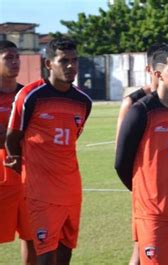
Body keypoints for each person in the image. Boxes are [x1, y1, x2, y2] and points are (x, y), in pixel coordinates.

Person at [5, 38, 92, 265]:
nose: (71, 66)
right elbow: (13, 138)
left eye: (74, 60)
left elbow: (72, 137)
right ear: (49, 64)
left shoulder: (83, 101)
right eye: (64, 61)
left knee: (66, 252)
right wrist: (21, 163)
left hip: (71, 188)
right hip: (40, 191)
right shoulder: (30, 96)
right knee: (44, 254)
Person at [115, 45, 168, 265]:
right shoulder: (140, 111)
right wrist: (146, 192)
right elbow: (121, 163)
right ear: (157, 74)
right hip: (152, 213)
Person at [0, 40, 36, 264]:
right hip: (2, 179)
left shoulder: (27, 95)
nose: (15, 62)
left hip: (28, 178)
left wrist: (8, 135)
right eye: (8, 58)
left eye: (17, 57)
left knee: (32, 238)